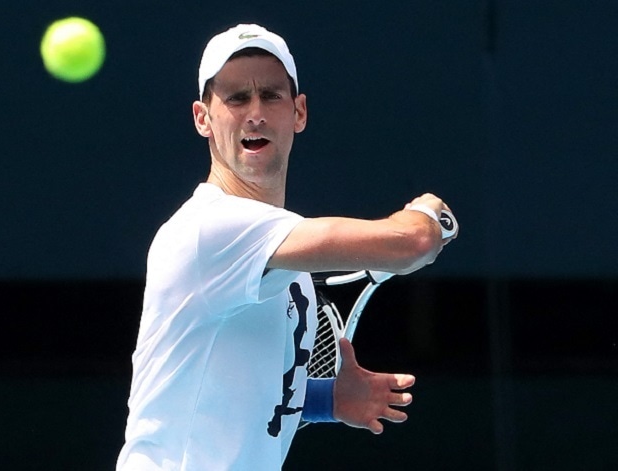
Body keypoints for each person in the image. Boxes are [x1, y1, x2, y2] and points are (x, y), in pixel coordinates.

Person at [116, 23, 456, 470]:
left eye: (271, 96)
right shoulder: (210, 228)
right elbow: (412, 243)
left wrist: (325, 400)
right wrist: (430, 217)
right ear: (203, 118)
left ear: (299, 112)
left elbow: (246, 397)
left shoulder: (286, 264)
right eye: (237, 98)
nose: (255, 113)